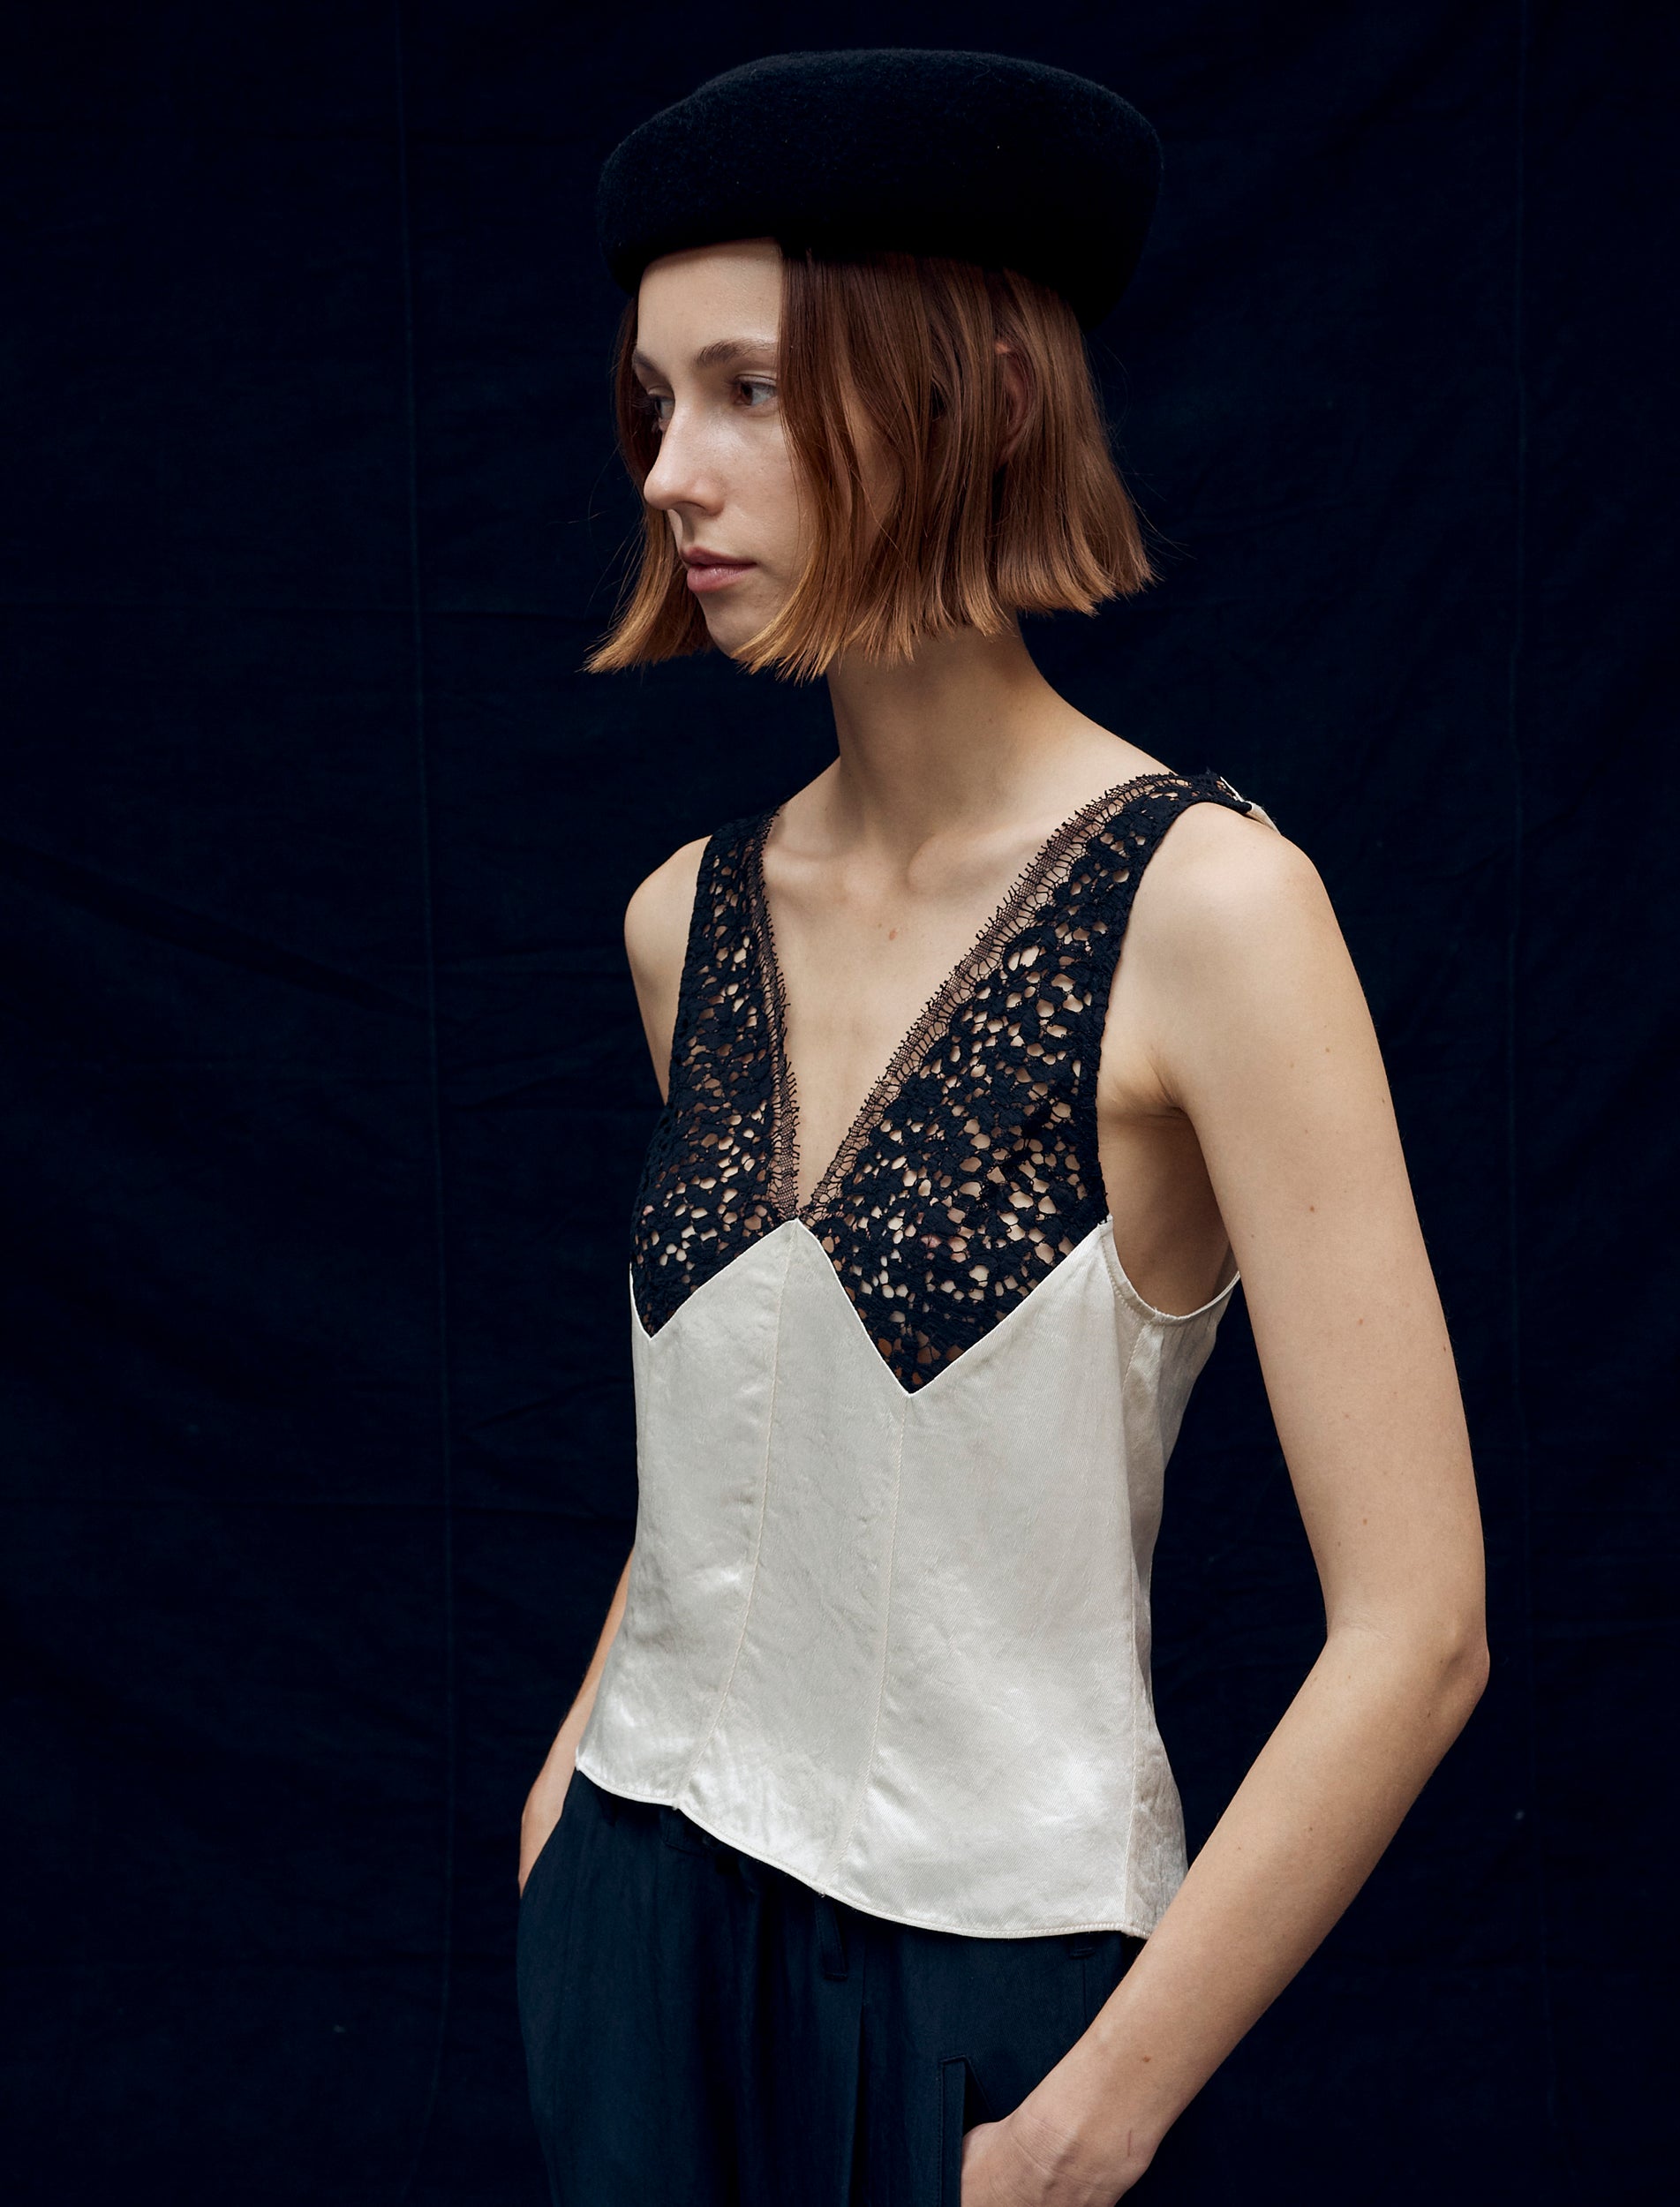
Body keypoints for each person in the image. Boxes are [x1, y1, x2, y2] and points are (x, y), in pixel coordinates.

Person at [516, 49, 1488, 2207]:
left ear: (983, 396)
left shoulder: (1213, 911)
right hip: (633, 1931)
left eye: (750, 391)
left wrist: (1084, 2119)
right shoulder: (686, 920)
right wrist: (568, 1793)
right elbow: (742, 1435)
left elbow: (1419, 1622)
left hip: (980, 1987)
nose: (669, 471)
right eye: (655, 400)